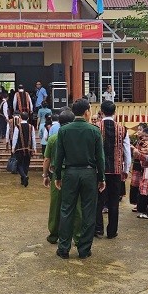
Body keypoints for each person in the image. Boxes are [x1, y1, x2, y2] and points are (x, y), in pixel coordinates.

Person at [53, 98, 106, 259]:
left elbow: (59, 156)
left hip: (70, 173)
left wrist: (57, 175)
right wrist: (101, 177)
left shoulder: (64, 130)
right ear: (87, 112)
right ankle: (84, 249)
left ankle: (63, 248)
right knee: (88, 211)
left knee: (66, 210)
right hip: (89, 174)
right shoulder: (94, 130)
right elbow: (100, 158)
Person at [43, 108, 81, 245]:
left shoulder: (53, 138)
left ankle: (54, 234)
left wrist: (45, 175)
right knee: (77, 205)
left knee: (56, 204)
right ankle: (78, 236)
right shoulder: (78, 138)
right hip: (75, 173)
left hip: (57, 173)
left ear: (59, 122)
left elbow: (47, 159)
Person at [95, 100, 131, 239]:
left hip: (99, 171)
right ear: (114, 112)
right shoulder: (122, 129)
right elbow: (127, 151)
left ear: (101, 112)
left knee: (98, 201)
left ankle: (98, 229)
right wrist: (126, 169)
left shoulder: (95, 128)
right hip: (116, 170)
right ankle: (112, 231)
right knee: (114, 202)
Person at [133, 126, 148, 219]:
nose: (144, 138)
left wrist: (139, 154)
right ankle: (143, 209)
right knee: (143, 189)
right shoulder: (143, 144)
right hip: (145, 169)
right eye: (143, 136)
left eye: (147, 136)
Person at [12, 111, 37, 187]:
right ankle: (24, 179)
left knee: (19, 164)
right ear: (28, 118)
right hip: (29, 149)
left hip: (19, 149)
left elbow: (15, 138)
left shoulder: (17, 126)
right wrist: (35, 148)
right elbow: (33, 138)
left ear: (20, 118)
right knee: (26, 164)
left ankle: (24, 177)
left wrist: (13, 147)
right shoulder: (31, 127)